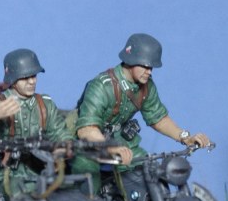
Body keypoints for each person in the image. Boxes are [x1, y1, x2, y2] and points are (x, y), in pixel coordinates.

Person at [71, 33, 212, 191]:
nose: (149, 71)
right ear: (131, 61)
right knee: (88, 177)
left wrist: (185, 137)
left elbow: (158, 118)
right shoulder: (102, 86)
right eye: (145, 66)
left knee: (148, 169)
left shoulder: (146, 86)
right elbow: (87, 129)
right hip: (88, 145)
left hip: (119, 140)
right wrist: (110, 148)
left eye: (151, 67)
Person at [0, 48, 72, 197]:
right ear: (13, 79)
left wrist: (59, 154)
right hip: (6, 174)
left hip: (40, 169)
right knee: (26, 199)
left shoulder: (44, 104)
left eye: (34, 76)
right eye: (25, 77)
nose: (32, 81)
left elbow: (62, 135)